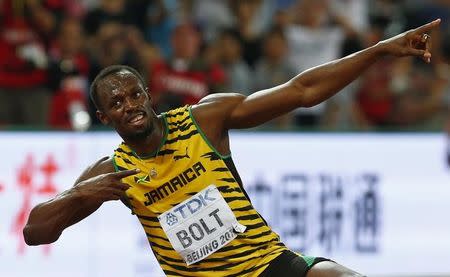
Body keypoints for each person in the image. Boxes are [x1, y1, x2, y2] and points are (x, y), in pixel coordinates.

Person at [23, 19, 440, 276]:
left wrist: (382, 50)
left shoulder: (203, 119)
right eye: (116, 103)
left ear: (148, 94)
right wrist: (80, 193)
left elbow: (302, 91)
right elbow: (35, 231)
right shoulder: (112, 170)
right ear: (104, 118)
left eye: (134, 95)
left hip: (266, 265)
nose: (129, 106)